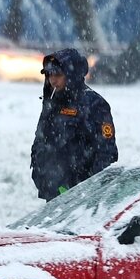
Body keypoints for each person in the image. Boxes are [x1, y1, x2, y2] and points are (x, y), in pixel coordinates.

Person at [30, 48, 118, 201]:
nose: (53, 80)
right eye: (50, 74)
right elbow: (40, 141)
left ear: (71, 75)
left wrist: (88, 192)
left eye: (58, 74)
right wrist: (41, 177)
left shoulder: (94, 104)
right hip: (53, 194)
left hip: (82, 198)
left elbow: (106, 153)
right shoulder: (52, 102)